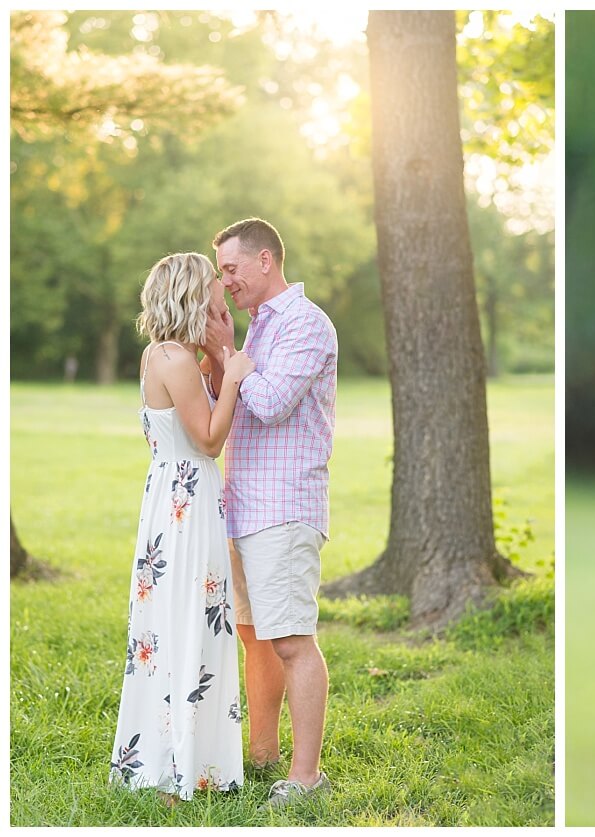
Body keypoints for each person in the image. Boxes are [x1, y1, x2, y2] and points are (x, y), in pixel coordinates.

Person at [205, 217, 340, 809]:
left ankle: (305, 778)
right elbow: (229, 402)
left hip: (285, 508)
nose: (225, 280)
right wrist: (226, 361)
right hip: (244, 505)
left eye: (231, 268)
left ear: (265, 261)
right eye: (221, 271)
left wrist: (232, 359)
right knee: (255, 635)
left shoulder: (306, 325)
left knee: (291, 641)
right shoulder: (259, 329)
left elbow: (273, 404)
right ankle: (261, 756)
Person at [111, 253, 255, 801]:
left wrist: (221, 354)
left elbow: (203, 405)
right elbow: (211, 439)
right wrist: (237, 373)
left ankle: (192, 759)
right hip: (187, 505)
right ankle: (181, 769)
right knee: (190, 620)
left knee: (180, 619)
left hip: (174, 499)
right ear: (193, 297)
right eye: (215, 295)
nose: (223, 299)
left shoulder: (166, 353)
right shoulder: (174, 360)